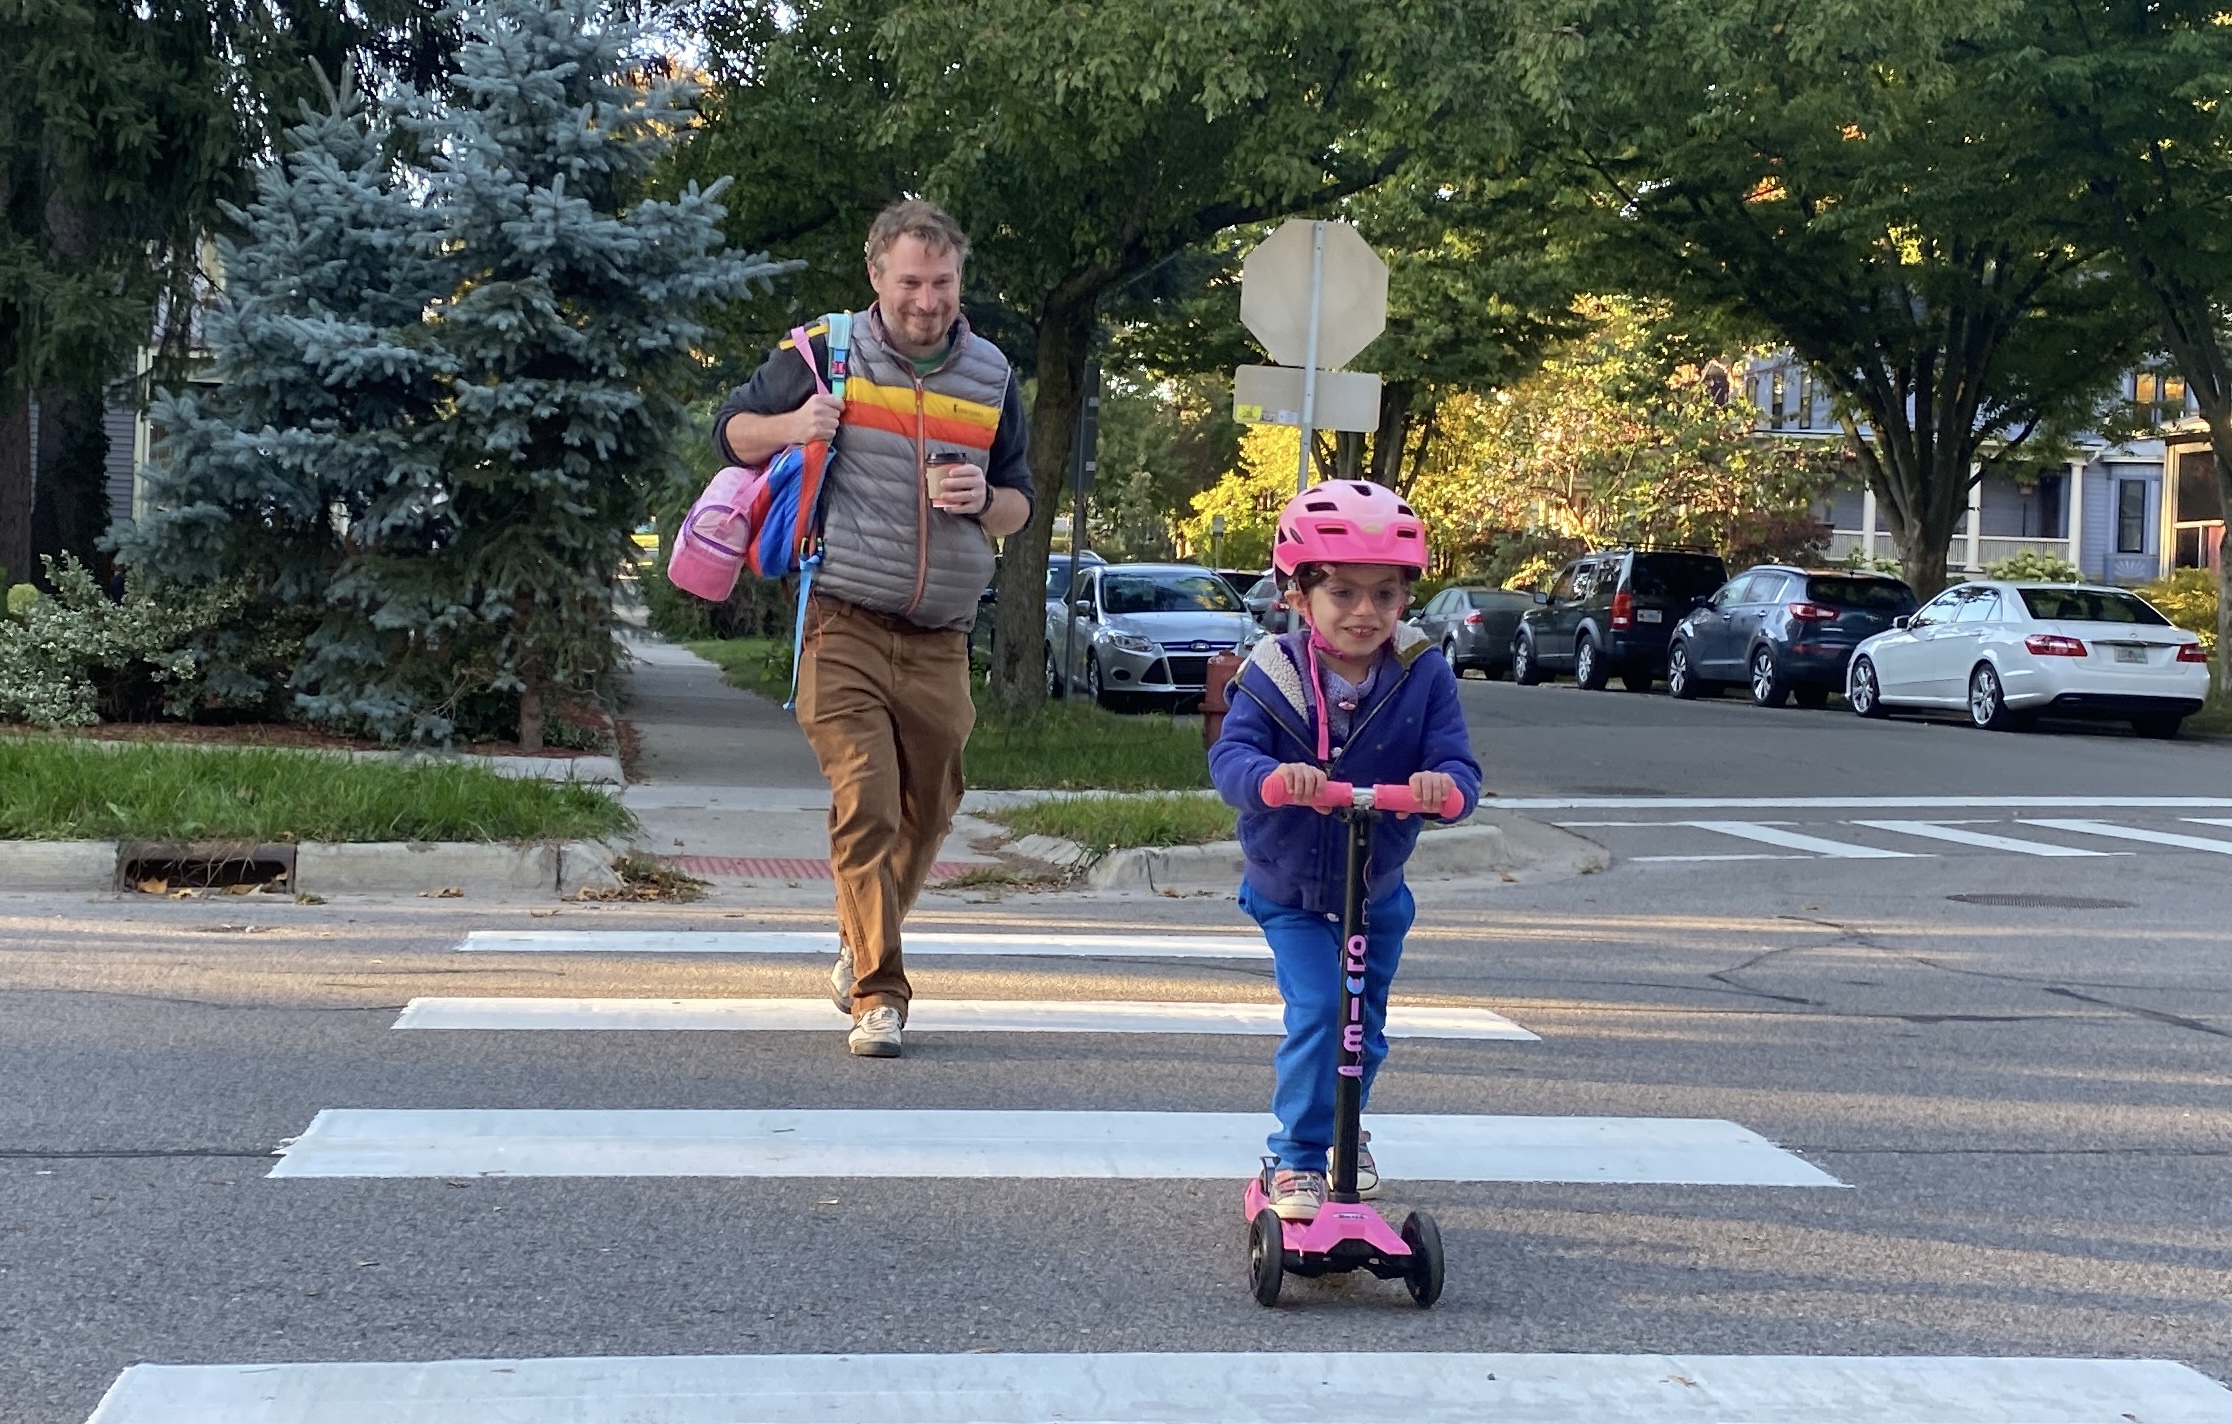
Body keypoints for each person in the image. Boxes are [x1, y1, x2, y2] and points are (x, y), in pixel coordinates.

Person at [712, 200, 1034, 1058]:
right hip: (843, 618)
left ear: (960, 279)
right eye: (910, 283)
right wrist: (793, 425)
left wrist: (985, 502)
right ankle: (879, 994)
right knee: (865, 802)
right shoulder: (823, 352)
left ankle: (857, 939)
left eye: (942, 282)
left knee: (928, 813)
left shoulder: (994, 374)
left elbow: (1020, 500)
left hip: (941, 634)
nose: (927, 301)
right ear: (876, 277)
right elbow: (730, 429)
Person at [1207, 480, 1482, 1219]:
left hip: (1378, 886)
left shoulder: (1422, 672)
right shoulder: (1273, 675)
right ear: (1298, 595)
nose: (1367, 613)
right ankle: (1294, 1158)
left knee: (1366, 1026)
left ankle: (1344, 1130)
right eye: (1345, 593)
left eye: (1386, 595)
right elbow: (1229, 760)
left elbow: (1460, 767)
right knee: (1325, 1011)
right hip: (1289, 889)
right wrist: (1271, 779)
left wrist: (1442, 788)